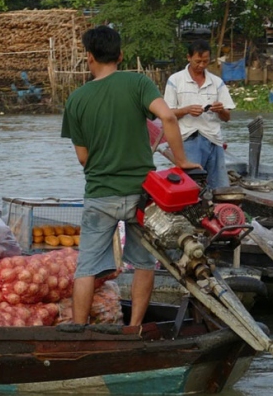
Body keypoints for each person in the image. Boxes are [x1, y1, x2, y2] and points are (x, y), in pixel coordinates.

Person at [61, 26, 201, 327]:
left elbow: (83, 157)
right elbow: (166, 116)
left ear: (89, 57)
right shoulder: (138, 83)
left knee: (86, 268)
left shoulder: (76, 100)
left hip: (100, 194)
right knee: (143, 262)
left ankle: (79, 332)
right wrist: (182, 161)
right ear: (121, 55)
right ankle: (134, 329)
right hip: (142, 193)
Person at [164, 40, 236, 189]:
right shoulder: (176, 80)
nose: (202, 65)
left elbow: (227, 117)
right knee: (192, 187)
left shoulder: (217, 82)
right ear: (188, 58)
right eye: (198, 61)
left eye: (205, 61)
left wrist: (220, 109)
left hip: (214, 140)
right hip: (188, 139)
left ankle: (218, 211)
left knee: (219, 187)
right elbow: (167, 114)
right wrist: (186, 110)